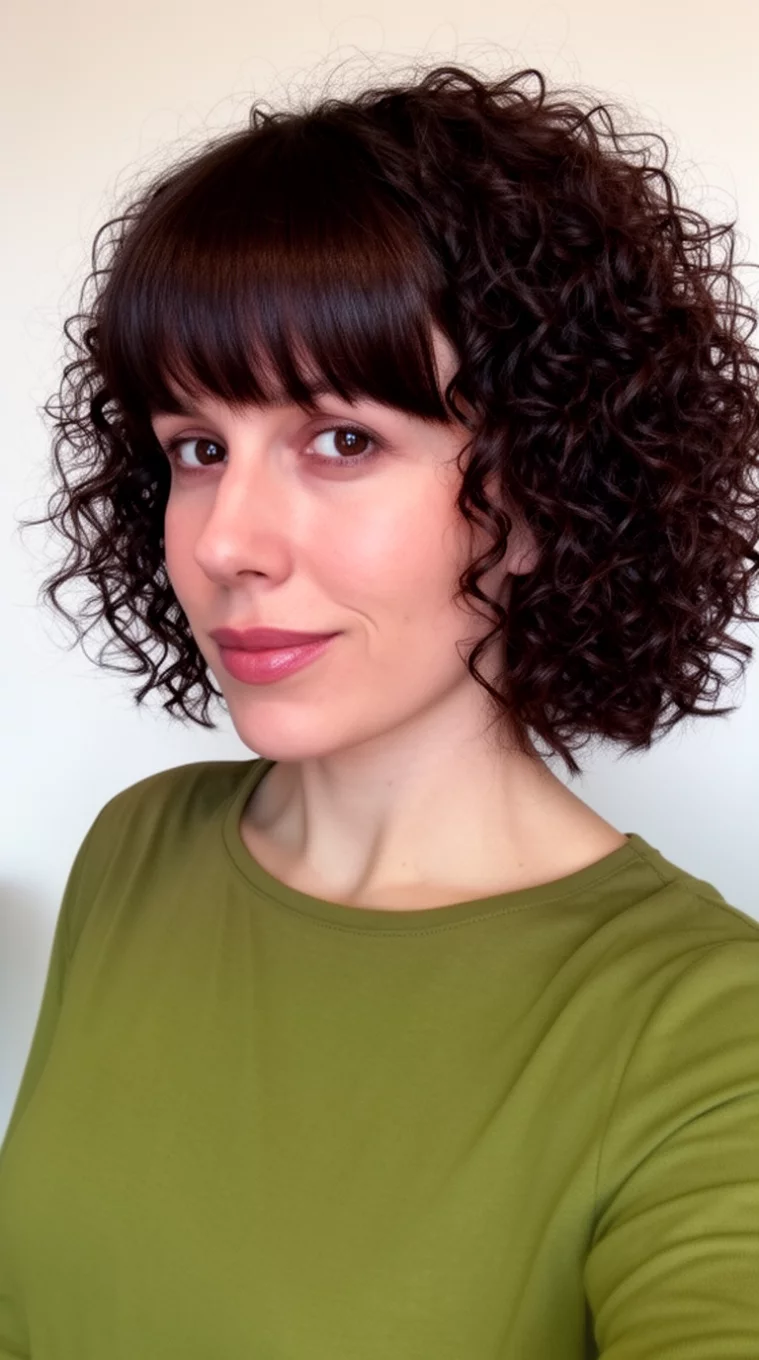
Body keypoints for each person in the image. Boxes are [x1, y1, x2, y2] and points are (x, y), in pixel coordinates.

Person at [3, 60, 759, 1359]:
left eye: (339, 440)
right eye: (196, 447)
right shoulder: (140, 849)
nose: (226, 541)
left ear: (543, 484)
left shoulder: (702, 1033)